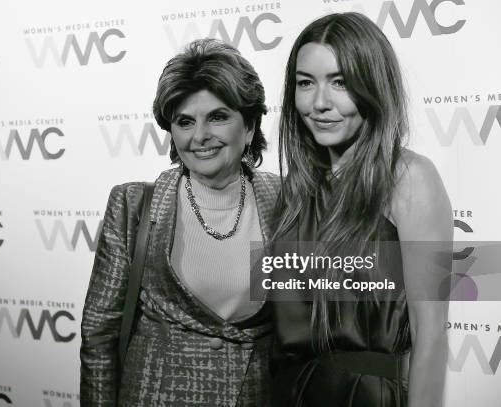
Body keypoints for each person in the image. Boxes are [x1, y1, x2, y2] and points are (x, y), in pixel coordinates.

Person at [80, 38, 279, 406]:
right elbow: (98, 337)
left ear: (249, 126)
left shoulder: (286, 201)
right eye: (185, 122)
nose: (199, 136)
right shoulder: (133, 206)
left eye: (217, 117)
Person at [271, 12, 452, 406]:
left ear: (372, 85)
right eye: (305, 84)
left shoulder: (409, 178)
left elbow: (432, 332)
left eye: (340, 82)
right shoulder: (295, 190)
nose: (319, 103)